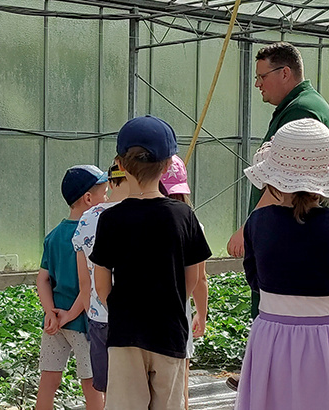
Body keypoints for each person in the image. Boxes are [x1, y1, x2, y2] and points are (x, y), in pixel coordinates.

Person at [225, 42, 329, 390]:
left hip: (288, 227)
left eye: (262, 76)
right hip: (295, 229)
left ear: (285, 72)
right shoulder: (304, 105)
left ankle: (271, 379)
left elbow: (283, 182)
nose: (258, 84)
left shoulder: (301, 112)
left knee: (277, 306)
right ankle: (274, 375)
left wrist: (249, 226)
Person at [237, 118, 329, 409]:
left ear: (275, 176)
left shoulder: (258, 223)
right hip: (328, 338)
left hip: (272, 336)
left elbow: (254, 276)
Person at [91, 115, 212, 409]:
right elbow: (193, 276)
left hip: (125, 332)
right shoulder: (184, 216)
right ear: (169, 164)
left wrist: (119, 307)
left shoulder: (110, 218)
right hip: (169, 330)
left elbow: (101, 279)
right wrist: (172, 301)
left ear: (119, 164)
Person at [36, 165, 107, 410]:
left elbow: (42, 279)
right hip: (83, 322)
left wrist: (50, 312)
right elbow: (88, 285)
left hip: (54, 323)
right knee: (92, 384)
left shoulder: (54, 235)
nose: (106, 199)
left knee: (49, 379)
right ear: (89, 199)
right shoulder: (91, 233)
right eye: (104, 193)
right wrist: (71, 315)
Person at [158, 155, 209, 407]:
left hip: (140, 314)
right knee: (180, 382)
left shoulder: (141, 219)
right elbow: (199, 278)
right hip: (178, 312)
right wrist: (201, 313)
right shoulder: (192, 223)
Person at [71, 164, 127, 397]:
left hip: (99, 317)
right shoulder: (144, 213)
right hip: (137, 319)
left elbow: (84, 279)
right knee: (137, 390)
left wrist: (90, 310)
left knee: (109, 390)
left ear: (112, 183)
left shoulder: (90, 216)